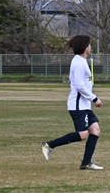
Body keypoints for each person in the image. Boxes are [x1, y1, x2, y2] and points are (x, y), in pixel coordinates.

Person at [41, 35, 105, 170]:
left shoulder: (81, 61)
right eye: (89, 44)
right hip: (78, 105)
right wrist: (95, 98)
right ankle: (49, 145)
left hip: (84, 105)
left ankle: (86, 162)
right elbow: (79, 86)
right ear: (84, 46)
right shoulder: (78, 62)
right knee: (83, 134)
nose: (90, 47)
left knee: (95, 130)